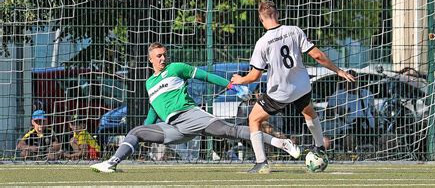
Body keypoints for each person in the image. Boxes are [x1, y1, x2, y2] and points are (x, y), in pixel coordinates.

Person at [90, 42, 301, 173]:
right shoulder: (149, 83)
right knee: (137, 131)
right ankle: (111, 163)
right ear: (150, 59)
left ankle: (281, 143)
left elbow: (206, 76)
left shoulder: (176, 68)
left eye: (164, 54)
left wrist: (229, 85)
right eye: (158, 56)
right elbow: (154, 109)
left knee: (230, 132)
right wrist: (147, 128)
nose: (163, 58)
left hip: (190, 116)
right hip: (174, 127)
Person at [231, 1, 355, 174]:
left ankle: (262, 163)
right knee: (309, 113)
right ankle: (320, 147)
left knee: (254, 119)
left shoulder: (263, 42)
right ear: (278, 14)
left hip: (280, 92)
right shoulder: (294, 30)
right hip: (301, 87)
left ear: (261, 19)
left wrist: (240, 80)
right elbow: (317, 55)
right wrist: (338, 71)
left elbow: (255, 76)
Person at [326, 70, 375, 151]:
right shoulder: (338, 95)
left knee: (389, 138)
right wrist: (337, 110)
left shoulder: (367, 93)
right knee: (350, 140)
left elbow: (374, 112)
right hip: (348, 130)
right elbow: (327, 114)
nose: (352, 82)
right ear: (344, 81)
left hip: (368, 129)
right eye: (349, 79)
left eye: (354, 79)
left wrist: (378, 128)